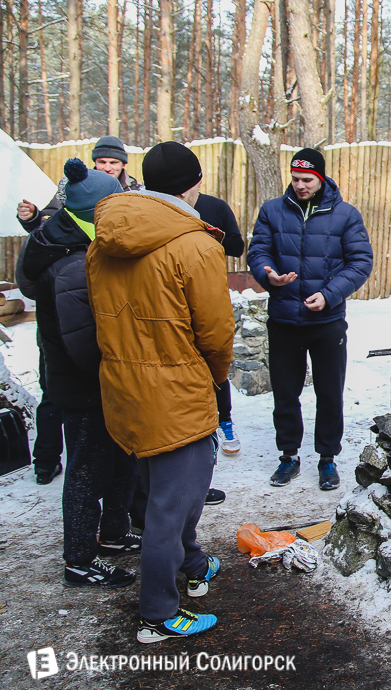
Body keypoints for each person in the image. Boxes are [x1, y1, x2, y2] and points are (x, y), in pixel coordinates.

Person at [86, 141, 234, 643]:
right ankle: (158, 614)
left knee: (169, 493)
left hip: (125, 390)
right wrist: (214, 378)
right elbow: (216, 333)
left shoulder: (103, 242)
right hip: (176, 394)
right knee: (169, 510)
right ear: (193, 186)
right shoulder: (196, 245)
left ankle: (193, 564)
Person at [18, 158, 139, 588]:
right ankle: (80, 559)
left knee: (121, 457)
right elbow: (83, 341)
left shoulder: (73, 237)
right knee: (87, 468)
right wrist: (119, 370)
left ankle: (114, 532)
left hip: (101, 379)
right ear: (99, 210)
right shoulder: (71, 260)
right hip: (86, 383)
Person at [247, 148, 373, 491]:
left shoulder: (345, 215)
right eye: (295, 179)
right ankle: (288, 456)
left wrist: (329, 295)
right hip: (284, 319)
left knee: (329, 393)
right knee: (285, 394)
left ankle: (327, 458)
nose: (300, 185)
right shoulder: (272, 211)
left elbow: (360, 262)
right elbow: (258, 251)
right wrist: (268, 274)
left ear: (320, 178)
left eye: (307, 179)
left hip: (327, 322)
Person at [195, 193, 244, 456]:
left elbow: (237, 246)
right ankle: (193, 430)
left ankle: (224, 420)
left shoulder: (214, 206)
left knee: (216, 356)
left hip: (208, 292)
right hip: (167, 295)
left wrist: (209, 236)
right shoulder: (157, 206)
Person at [16, 135, 140, 232]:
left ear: (123, 164)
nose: (107, 168)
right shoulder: (75, 188)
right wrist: (34, 218)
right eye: (102, 162)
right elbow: (51, 221)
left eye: (113, 163)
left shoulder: (135, 193)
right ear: (95, 162)